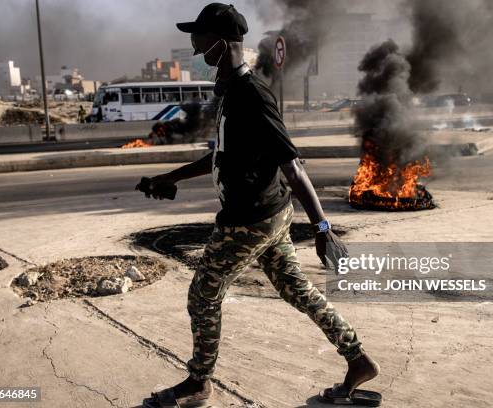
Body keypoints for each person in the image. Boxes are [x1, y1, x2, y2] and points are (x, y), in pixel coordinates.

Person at [137, 3, 380, 407]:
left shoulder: (252, 94)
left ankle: (199, 383)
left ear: (220, 42)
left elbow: (294, 166)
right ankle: (358, 360)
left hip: (250, 221)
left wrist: (323, 228)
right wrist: (170, 177)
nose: (194, 45)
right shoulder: (230, 90)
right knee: (298, 291)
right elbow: (222, 155)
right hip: (267, 217)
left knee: (203, 294)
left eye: (199, 37)